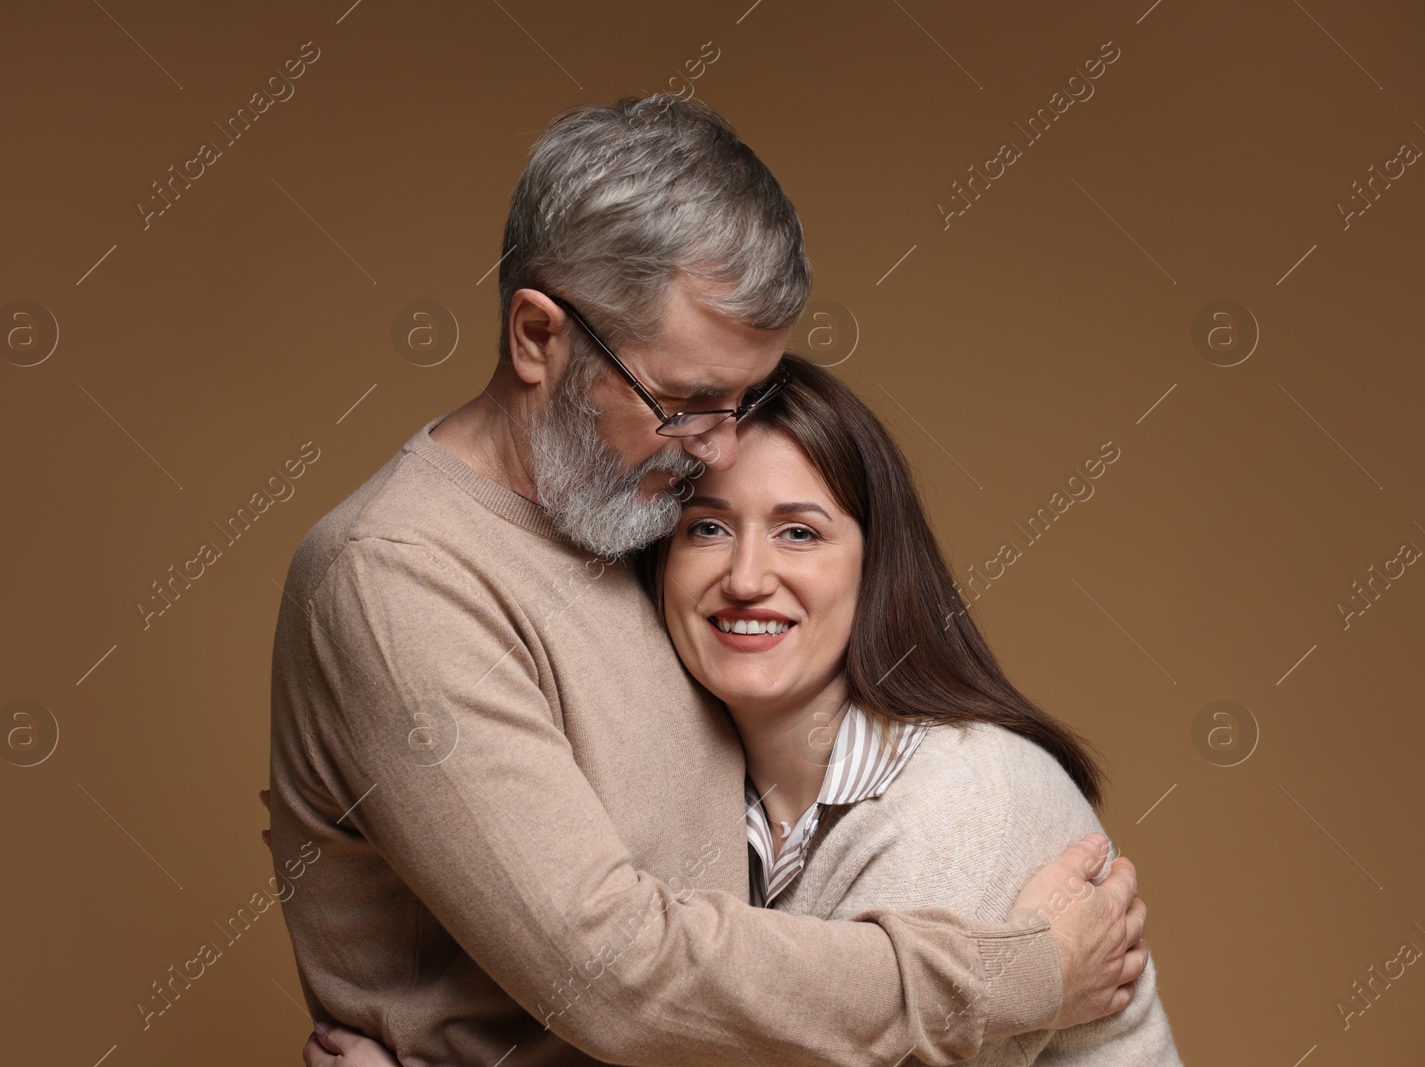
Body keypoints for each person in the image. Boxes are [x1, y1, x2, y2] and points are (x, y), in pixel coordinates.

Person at [264, 93, 1149, 1067]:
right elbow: (616, 974)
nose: (720, 448)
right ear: (535, 336)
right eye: (686, 400)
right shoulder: (397, 580)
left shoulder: (626, 507)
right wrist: (1017, 973)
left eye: (745, 399)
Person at [289, 355, 1179, 1067]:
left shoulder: (965, 799)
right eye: (707, 528)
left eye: (800, 531)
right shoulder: (718, 813)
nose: (746, 576)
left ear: (878, 564)